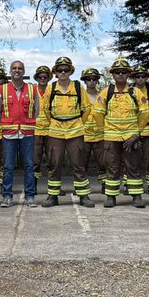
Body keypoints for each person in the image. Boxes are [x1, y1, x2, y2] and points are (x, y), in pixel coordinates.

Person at [38, 57, 94, 207]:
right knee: (54, 164)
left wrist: (77, 123)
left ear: (70, 71)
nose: (63, 72)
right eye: (60, 70)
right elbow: (45, 109)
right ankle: (53, 196)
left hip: (75, 132)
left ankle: (84, 196)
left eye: (66, 69)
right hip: (55, 132)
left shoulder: (77, 87)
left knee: (79, 164)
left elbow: (86, 108)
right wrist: (55, 122)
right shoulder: (51, 87)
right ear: (55, 72)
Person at [96, 58, 147, 208]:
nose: (120, 74)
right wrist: (104, 131)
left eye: (123, 72)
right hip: (111, 136)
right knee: (112, 166)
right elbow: (98, 113)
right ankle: (111, 197)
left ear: (128, 74)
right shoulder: (107, 92)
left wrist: (136, 134)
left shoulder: (135, 92)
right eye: (117, 72)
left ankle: (136, 196)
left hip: (131, 137)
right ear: (112, 74)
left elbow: (144, 113)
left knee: (133, 166)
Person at [0, 60, 38, 207]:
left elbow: (37, 110)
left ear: (24, 71)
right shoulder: (2, 89)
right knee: (8, 166)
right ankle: (7, 197)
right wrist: (7, 123)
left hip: (27, 134)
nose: (17, 70)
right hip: (9, 134)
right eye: (14, 68)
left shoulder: (33, 89)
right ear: (10, 71)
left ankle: (30, 196)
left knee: (29, 166)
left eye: (20, 68)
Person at [131, 64, 149, 196]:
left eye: (143, 76)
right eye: (138, 76)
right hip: (132, 131)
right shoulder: (129, 92)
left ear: (147, 78)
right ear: (134, 78)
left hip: (147, 131)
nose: (140, 79)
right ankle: (129, 185)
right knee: (131, 160)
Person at [81, 68, 105, 184]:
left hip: (100, 134)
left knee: (103, 163)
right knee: (81, 163)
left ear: (97, 81)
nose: (91, 81)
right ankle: (82, 187)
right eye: (88, 79)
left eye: (94, 79)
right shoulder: (80, 96)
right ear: (84, 81)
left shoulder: (102, 96)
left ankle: (104, 184)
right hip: (83, 134)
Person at [32, 64, 52, 187]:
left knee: (53, 161)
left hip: (51, 131)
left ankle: (54, 186)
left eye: (45, 77)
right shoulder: (32, 91)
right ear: (37, 78)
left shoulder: (54, 90)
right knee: (34, 161)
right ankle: (32, 186)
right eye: (40, 77)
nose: (42, 79)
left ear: (49, 78)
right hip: (35, 131)